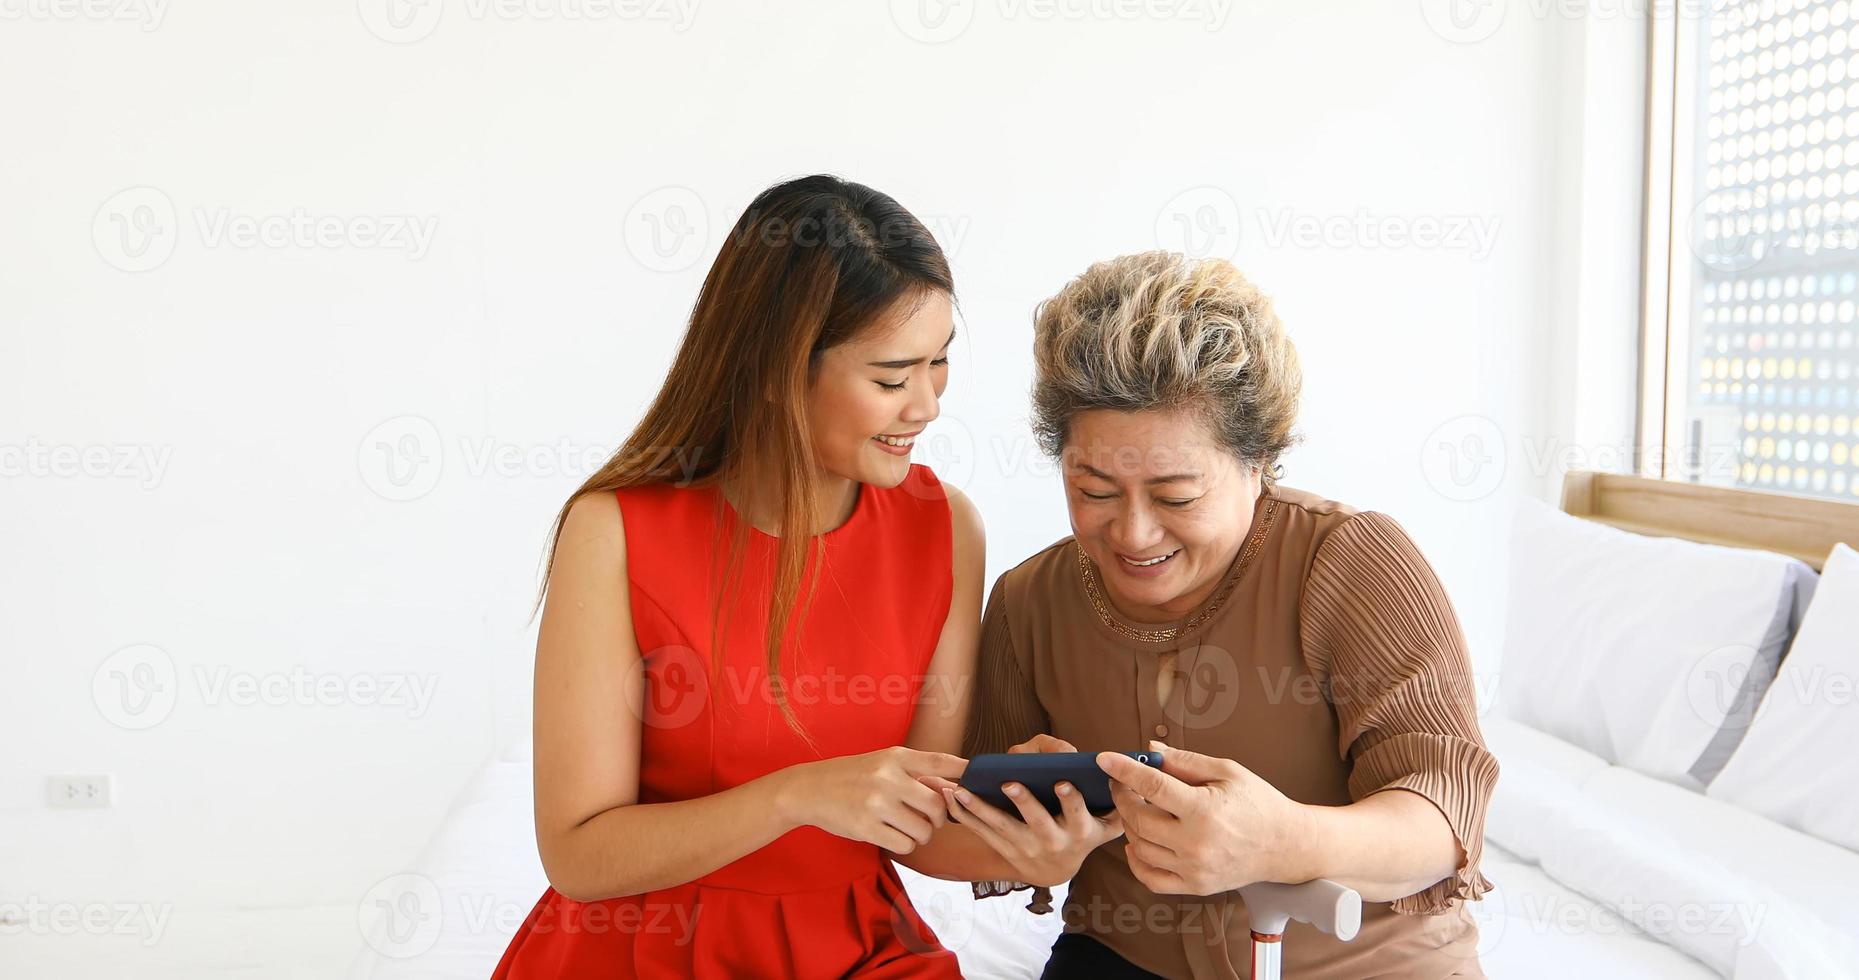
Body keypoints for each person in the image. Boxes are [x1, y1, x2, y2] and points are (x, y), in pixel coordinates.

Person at [937, 251, 1498, 978]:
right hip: (1118, 954)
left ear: (1259, 459)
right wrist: (1027, 831)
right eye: (1094, 488)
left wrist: (1285, 840)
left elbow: (1443, 814)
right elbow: (972, 814)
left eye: (1175, 496)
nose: (1133, 533)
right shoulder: (1026, 601)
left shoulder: (1352, 560)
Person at [490, 175, 985, 978]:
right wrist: (795, 797)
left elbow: (919, 820)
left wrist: (1032, 837)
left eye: (940, 363)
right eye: (891, 378)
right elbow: (578, 854)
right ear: (775, 370)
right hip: (648, 953)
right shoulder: (615, 531)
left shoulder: (947, 529)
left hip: (857, 951)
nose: (926, 405)